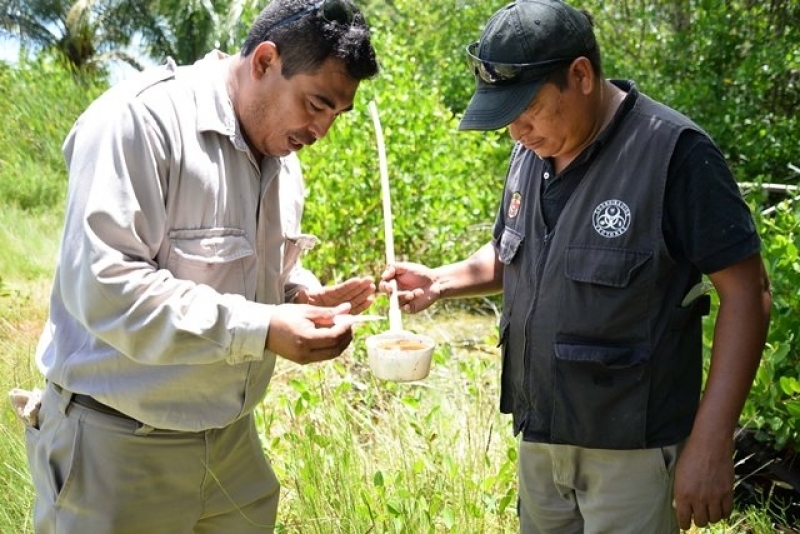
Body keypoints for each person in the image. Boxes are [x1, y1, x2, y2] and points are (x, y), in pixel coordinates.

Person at [380, 1, 771, 532]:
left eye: (527, 109)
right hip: (541, 438)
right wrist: (440, 281)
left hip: (632, 451)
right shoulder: (533, 150)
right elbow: (517, 251)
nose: (516, 131)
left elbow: (748, 294)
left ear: (581, 76)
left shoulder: (674, 156)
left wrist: (712, 439)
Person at [24, 0, 379, 532]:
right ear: (264, 61)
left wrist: (299, 296)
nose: (322, 129)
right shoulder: (141, 121)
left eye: (336, 115)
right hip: (118, 446)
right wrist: (262, 328)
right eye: (316, 103)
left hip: (232, 445)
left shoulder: (282, 157)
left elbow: (263, 272)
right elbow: (104, 286)